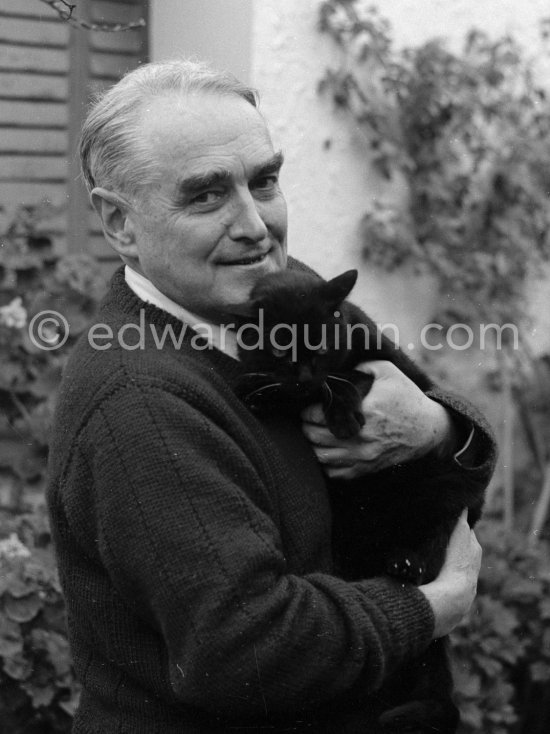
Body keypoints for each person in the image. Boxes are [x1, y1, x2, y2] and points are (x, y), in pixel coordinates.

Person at [47, 59, 496, 733]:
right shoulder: (137, 400)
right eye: (205, 195)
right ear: (120, 225)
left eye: (264, 180)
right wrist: (433, 607)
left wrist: (436, 428)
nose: (256, 225)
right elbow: (248, 654)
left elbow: (458, 476)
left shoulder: (294, 293)